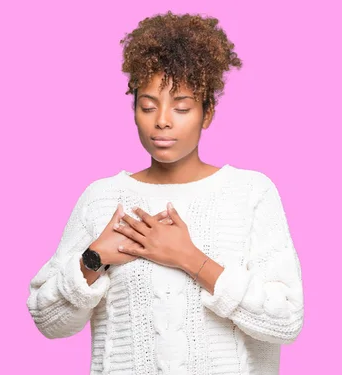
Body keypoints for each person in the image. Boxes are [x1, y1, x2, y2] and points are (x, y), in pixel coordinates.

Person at [25, 11, 304, 375]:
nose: (162, 121)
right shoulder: (102, 198)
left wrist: (190, 259)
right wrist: (93, 259)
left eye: (182, 107)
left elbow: (286, 320)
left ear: (207, 114)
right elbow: (48, 321)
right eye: (148, 106)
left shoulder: (250, 193)